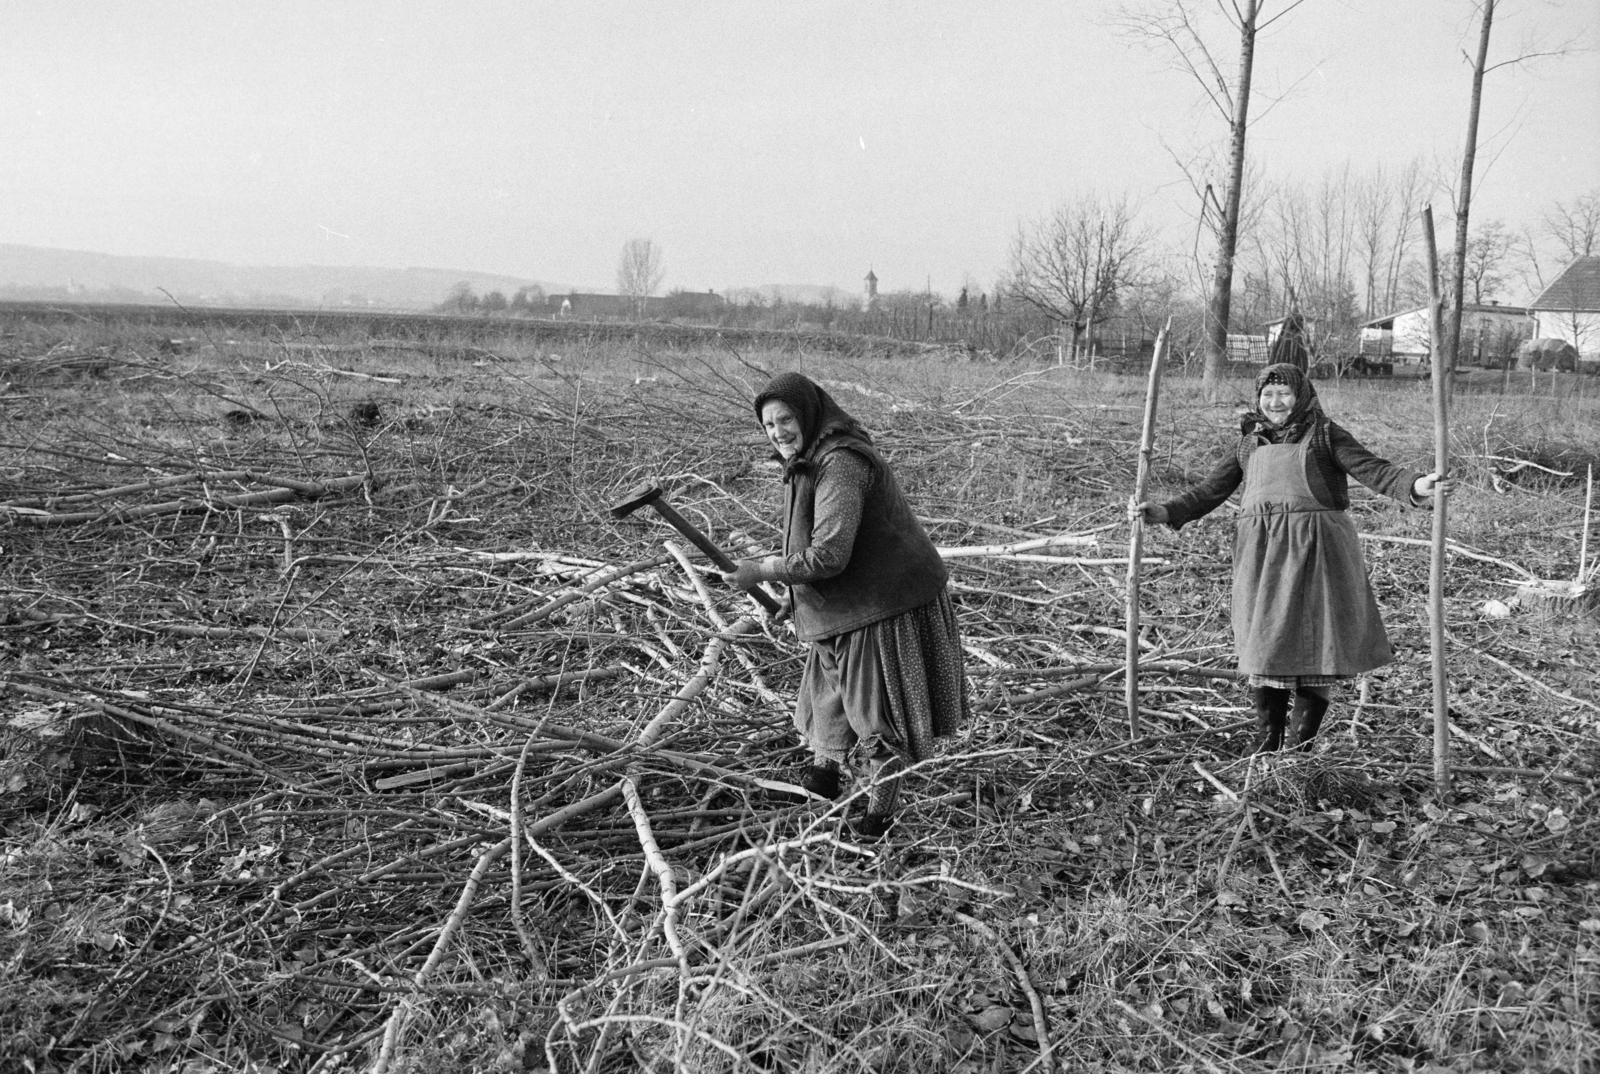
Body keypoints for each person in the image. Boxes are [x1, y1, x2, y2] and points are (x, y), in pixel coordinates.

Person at [1133, 363, 1452, 753]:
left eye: (1283, 393)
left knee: (1318, 642)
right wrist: (1166, 511)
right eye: (1267, 395)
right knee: (1265, 639)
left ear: (1300, 396)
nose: (1275, 402)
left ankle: (1301, 749)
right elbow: (1210, 490)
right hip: (1261, 555)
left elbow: (1373, 469)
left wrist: (1416, 485)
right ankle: (1267, 743)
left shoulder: (1325, 434)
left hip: (1319, 550)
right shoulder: (1248, 443)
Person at [722, 372, 968, 837]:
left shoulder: (841, 462)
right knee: (826, 694)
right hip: (845, 598)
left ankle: (879, 816)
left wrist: (763, 570)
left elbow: (830, 554)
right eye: (768, 424)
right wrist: (795, 598)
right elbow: (814, 545)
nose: (778, 432)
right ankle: (824, 780)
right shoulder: (807, 460)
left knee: (873, 712)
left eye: (786, 419)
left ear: (808, 414)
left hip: (885, 600)